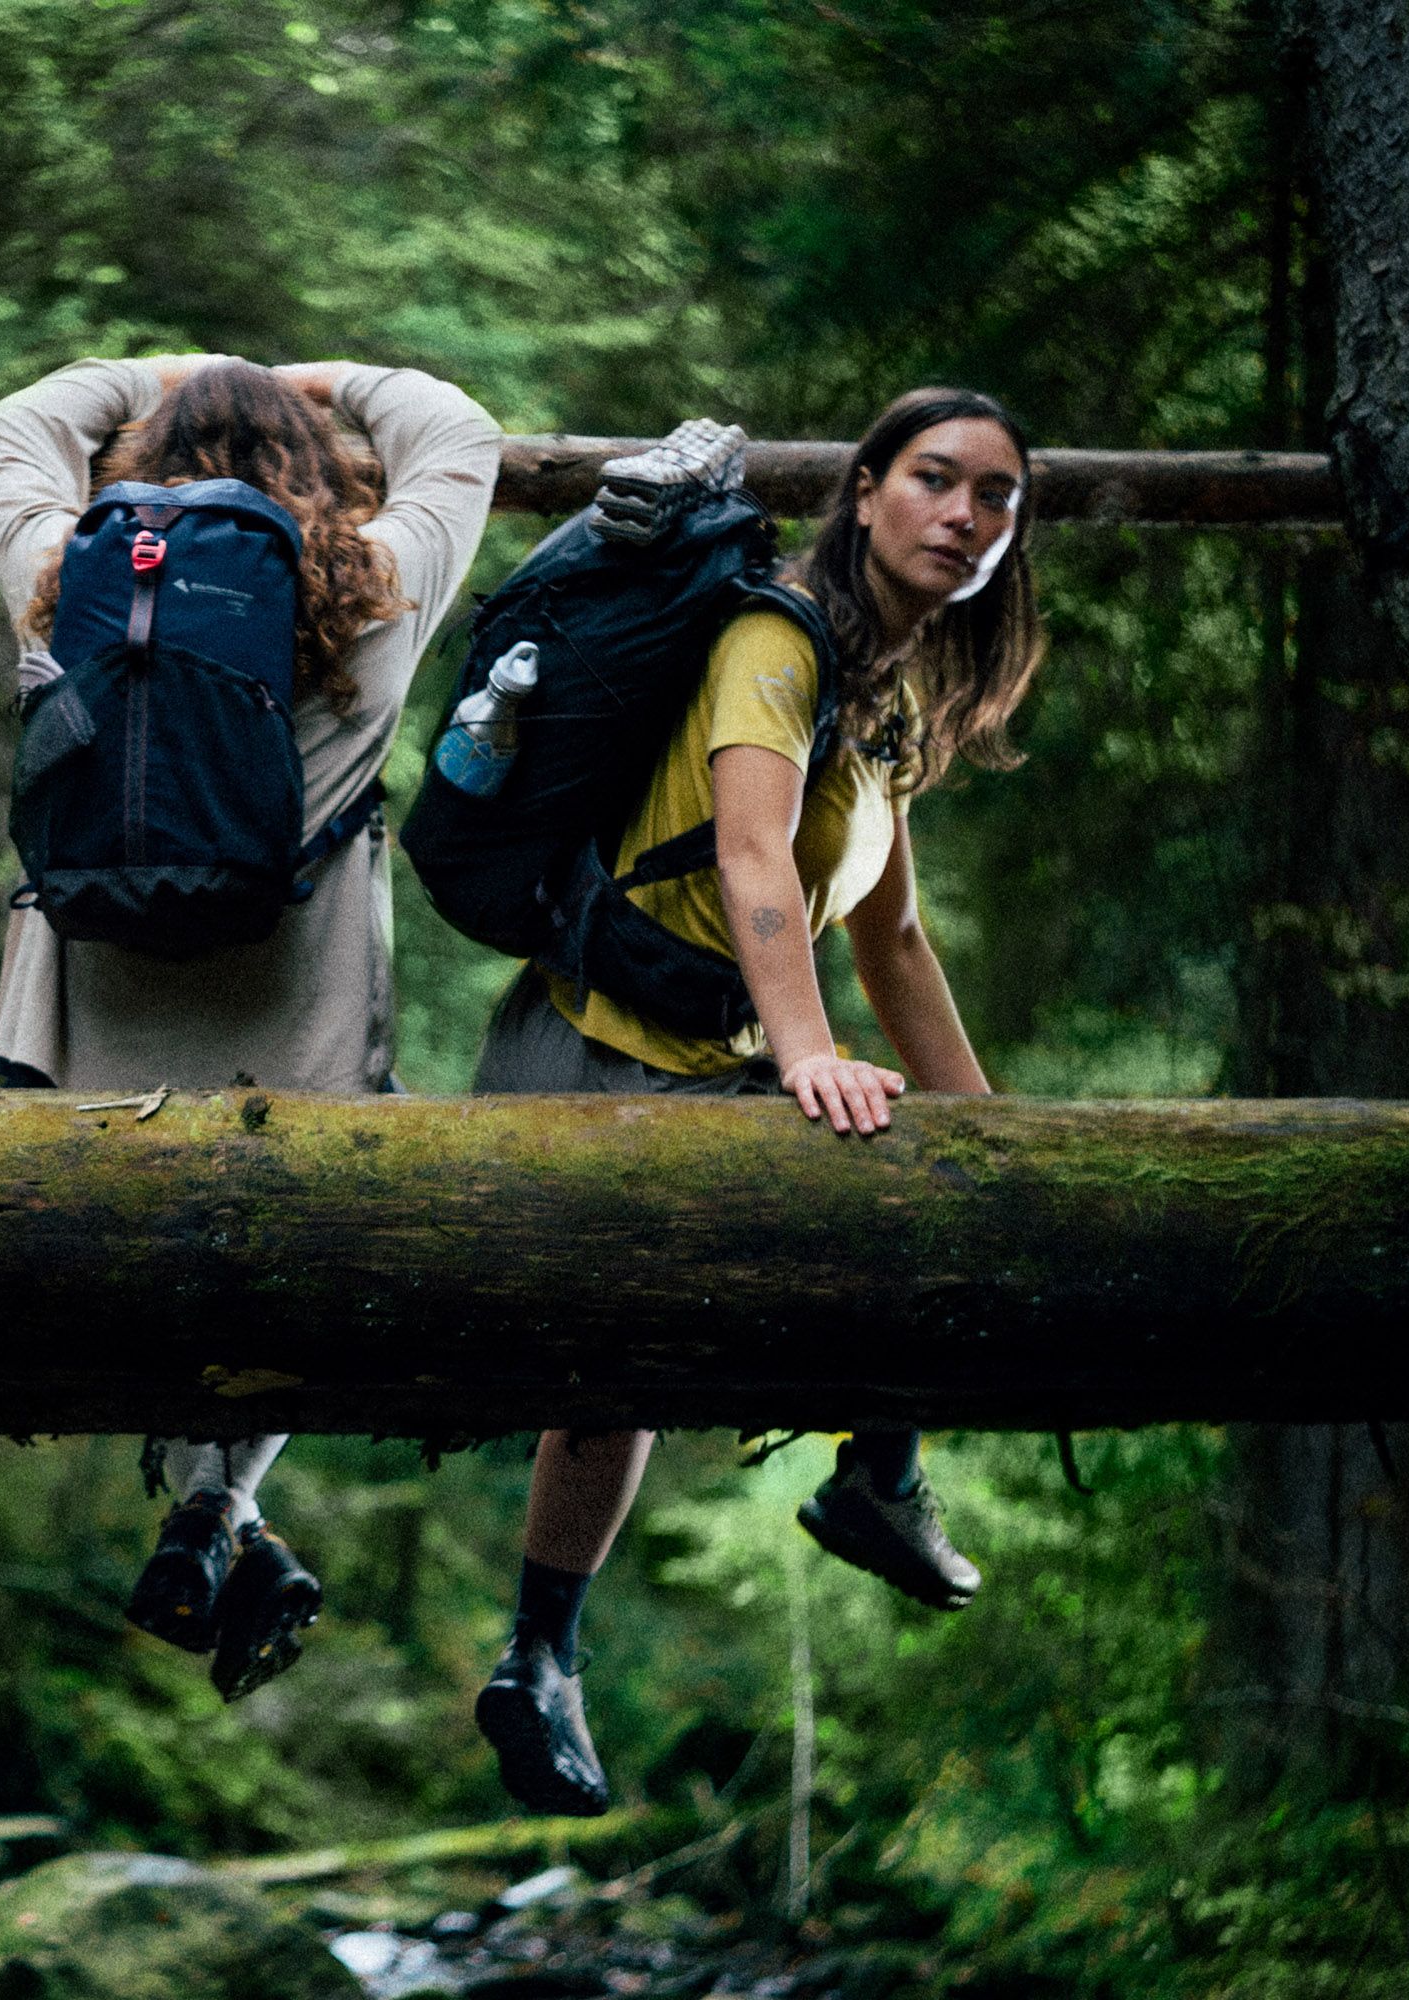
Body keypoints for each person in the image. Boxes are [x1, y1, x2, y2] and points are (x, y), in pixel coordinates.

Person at [465, 388, 1047, 1815]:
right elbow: (752, 858)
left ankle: (874, 1477)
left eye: (997, 498)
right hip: (593, 1053)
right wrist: (803, 1056)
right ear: (864, 491)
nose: (965, 516)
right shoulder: (771, 642)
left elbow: (892, 936)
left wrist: (1001, 1143)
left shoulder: (889, 689)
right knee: (628, 1361)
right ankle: (541, 1659)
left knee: (910, 1200)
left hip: (706, 1063)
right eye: (934, 480)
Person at [0, 353, 502, 1700]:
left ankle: (224, 1519)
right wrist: (338, 377)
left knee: (148, 1266)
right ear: (325, 478)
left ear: (139, 465)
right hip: (294, 1002)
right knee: (293, 1275)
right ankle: (218, 1513)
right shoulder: (376, 583)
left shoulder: (63, 569)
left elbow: (19, 424)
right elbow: (458, 431)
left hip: (100, 996)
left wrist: (149, 374)